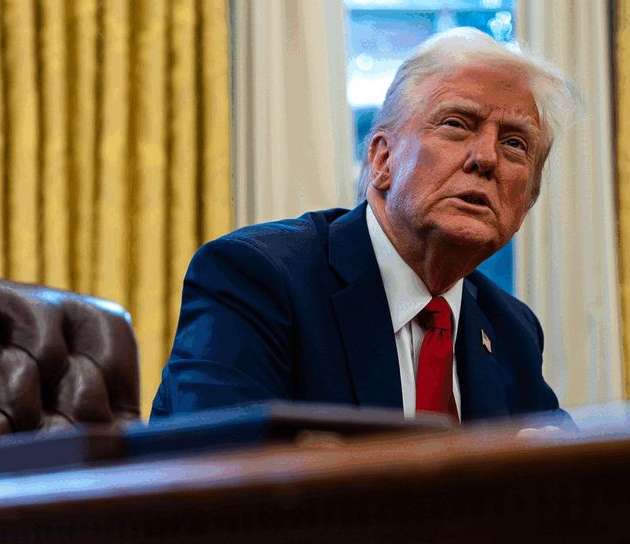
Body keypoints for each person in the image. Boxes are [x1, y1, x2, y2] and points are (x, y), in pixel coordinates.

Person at [152, 28, 578, 425]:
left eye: (514, 144)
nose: (486, 158)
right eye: (456, 124)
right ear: (382, 160)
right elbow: (222, 474)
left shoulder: (511, 330)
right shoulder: (256, 280)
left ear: (527, 201)